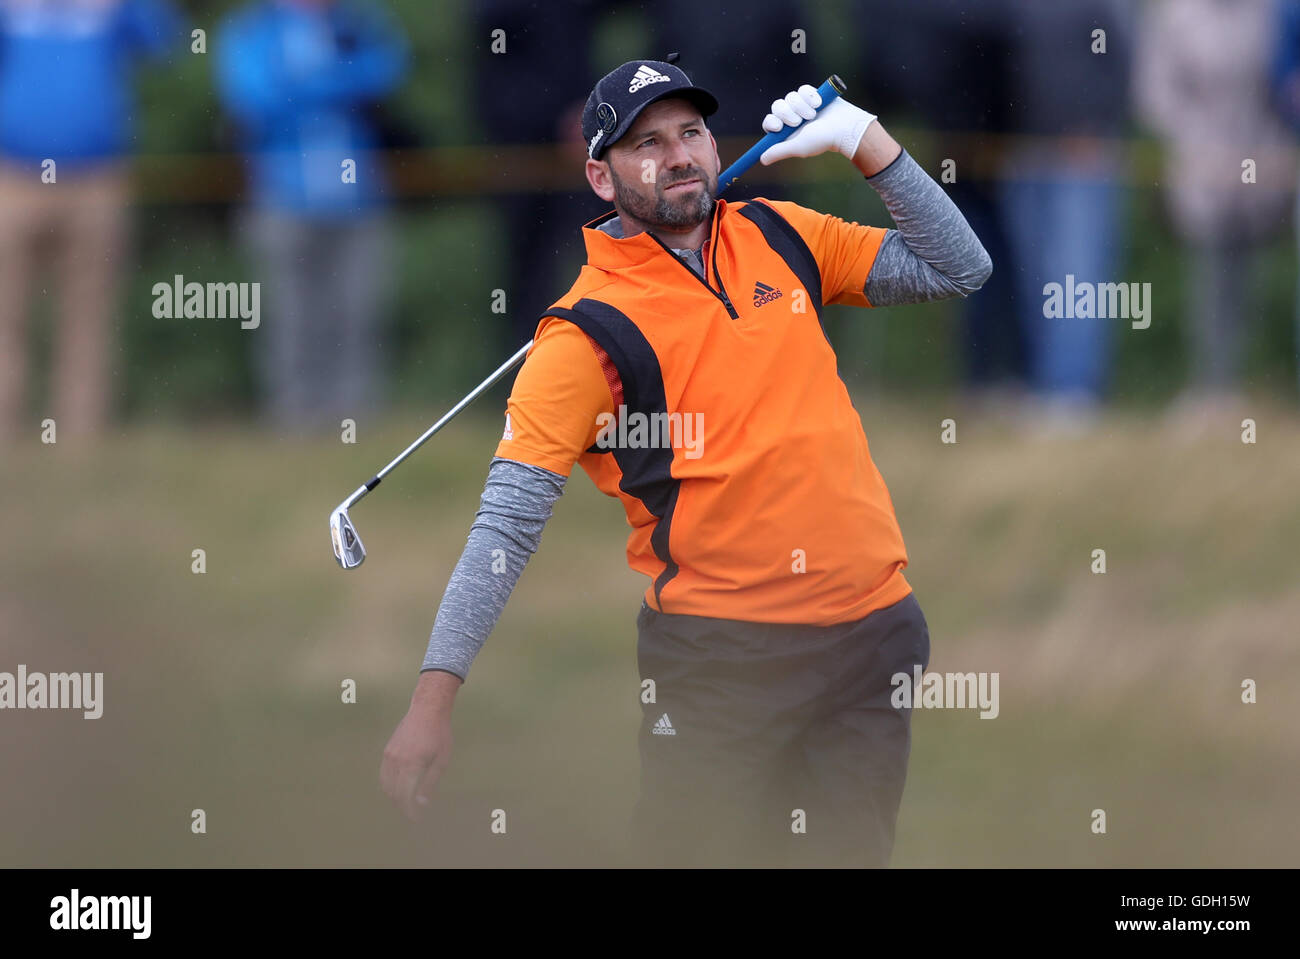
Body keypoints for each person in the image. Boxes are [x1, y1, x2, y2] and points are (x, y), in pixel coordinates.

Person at [380, 59, 991, 867]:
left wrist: (866, 143)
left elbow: (959, 266)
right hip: (722, 662)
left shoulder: (780, 232)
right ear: (601, 176)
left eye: (691, 133)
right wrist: (433, 701)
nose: (678, 157)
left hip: (871, 634)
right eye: (645, 144)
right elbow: (505, 529)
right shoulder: (581, 338)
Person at [215, 0, 408, 431]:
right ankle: (295, 420)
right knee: (291, 315)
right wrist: (339, 83)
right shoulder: (252, 29)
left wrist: (306, 84)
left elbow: (386, 71)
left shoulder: (360, 21)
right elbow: (253, 97)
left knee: (359, 310)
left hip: (361, 198)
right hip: (282, 197)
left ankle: (357, 419)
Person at [0, 0, 179, 443]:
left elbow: (165, 43)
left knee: (90, 315)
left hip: (97, 180)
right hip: (12, 176)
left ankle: (79, 439)